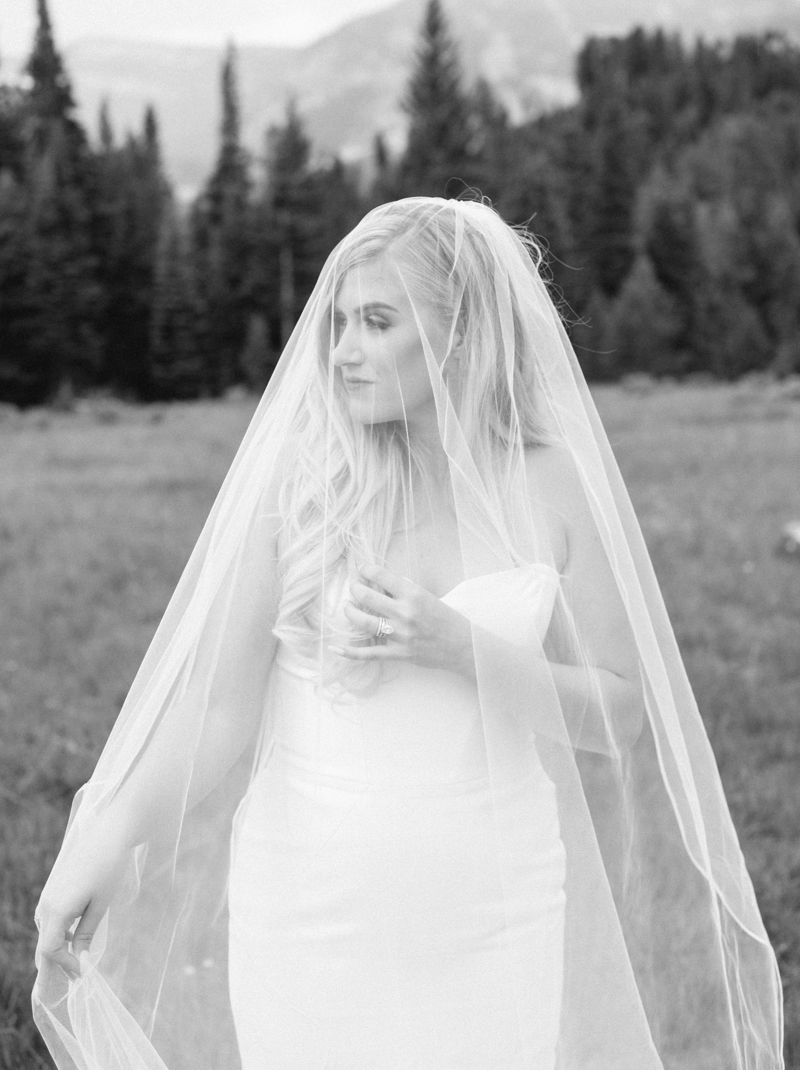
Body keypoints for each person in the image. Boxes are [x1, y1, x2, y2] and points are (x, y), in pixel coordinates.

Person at [33, 197, 784, 1069]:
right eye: (341, 321)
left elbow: (617, 715)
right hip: (310, 911)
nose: (342, 349)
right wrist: (107, 834)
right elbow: (219, 708)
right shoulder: (306, 485)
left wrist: (457, 647)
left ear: (459, 332)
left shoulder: (553, 484)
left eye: (377, 322)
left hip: (494, 909)